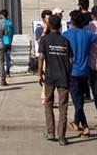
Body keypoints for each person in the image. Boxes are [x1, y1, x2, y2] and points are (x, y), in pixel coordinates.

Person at [63, 10, 97, 138]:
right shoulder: (88, 34)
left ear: (71, 22)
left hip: (72, 72)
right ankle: (75, 122)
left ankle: (85, 127)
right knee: (79, 99)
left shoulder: (65, 35)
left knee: (77, 101)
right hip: (85, 72)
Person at [38, 14, 72, 146]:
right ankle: (62, 137)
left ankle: (51, 131)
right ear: (60, 26)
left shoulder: (45, 40)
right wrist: (68, 73)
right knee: (63, 107)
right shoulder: (65, 41)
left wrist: (39, 73)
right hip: (63, 77)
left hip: (50, 77)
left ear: (50, 25)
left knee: (48, 104)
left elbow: (41, 57)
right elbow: (71, 60)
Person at [0, 9, 14, 76]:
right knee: (8, 58)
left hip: (4, 41)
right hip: (9, 42)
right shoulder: (10, 23)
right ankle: (8, 71)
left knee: (2, 58)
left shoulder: (1, 23)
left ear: (2, 15)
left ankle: (2, 72)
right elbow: (13, 33)